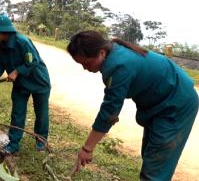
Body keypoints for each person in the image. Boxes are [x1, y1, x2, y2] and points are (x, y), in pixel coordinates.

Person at [66, 30, 198, 180]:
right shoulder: (113, 53)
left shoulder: (119, 66)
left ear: (102, 52)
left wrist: (87, 148)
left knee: (156, 167)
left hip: (176, 104)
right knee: (150, 155)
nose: (85, 68)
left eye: (87, 63)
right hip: (160, 102)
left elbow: (109, 111)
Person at [0, 14, 51, 154]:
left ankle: (41, 140)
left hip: (39, 82)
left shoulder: (22, 42)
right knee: (17, 113)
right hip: (21, 84)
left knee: (41, 113)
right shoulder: (2, 48)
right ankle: (13, 144)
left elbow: (32, 62)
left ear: (2, 32)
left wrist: (17, 71)